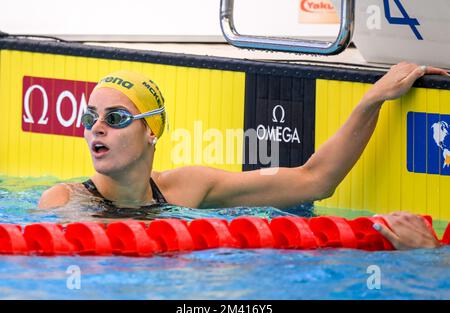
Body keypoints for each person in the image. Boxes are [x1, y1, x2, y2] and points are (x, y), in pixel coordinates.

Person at [38, 63, 449, 249]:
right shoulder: (65, 201)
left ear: (150, 131)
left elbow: (314, 181)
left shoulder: (189, 187)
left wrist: (371, 101)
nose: (97, 127)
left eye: (116, 117)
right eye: (91, 116)